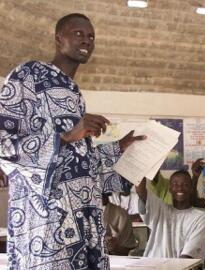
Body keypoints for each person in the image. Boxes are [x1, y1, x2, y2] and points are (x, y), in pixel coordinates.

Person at [0, 13, 144, 269]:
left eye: (91, 36)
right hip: (46, 224)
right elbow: (3, 144)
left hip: (85, 219)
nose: (86, 40)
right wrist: (65, 136)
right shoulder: (28, 75)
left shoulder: (75, 95)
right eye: (78, 33)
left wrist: (118, 148)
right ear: (59, 38)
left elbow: (78, 163)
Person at [136, 170, 205, 260]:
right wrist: (142, 165)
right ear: (170, 188)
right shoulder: (161, 209)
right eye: (175, 184)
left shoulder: (202, 217)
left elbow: (187, 257)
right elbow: (141, 191)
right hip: (153, 265)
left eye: (185, 185)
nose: (180, 188)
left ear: (191, 188)